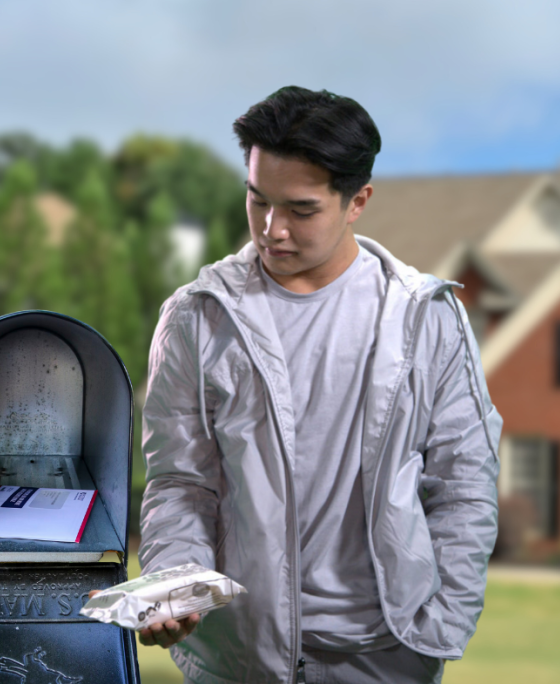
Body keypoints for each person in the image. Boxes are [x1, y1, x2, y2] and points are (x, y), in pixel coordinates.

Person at [133, 86, 502, 684]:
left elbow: (463, 480)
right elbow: (180, 480)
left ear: (357, 201)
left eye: (301, 210)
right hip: (240, 657)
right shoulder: (197, 316)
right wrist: (178, 581)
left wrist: (443, 621)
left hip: (387, 656)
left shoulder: (425, 316)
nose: (272, 230)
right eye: (258, 201)